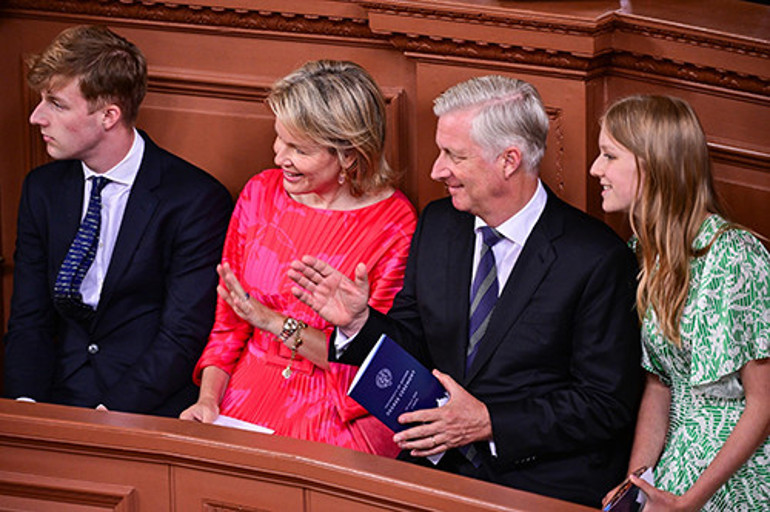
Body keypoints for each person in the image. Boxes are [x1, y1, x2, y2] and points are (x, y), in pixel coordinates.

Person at [289, 75, 643, 507]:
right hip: (437, 465)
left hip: (539, 480)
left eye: (454, 156)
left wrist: (490, 422)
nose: (436, 170)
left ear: (509, 160)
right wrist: (360, 323)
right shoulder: (439, 225)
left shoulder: (597, 258)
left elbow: (604, 404)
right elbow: (415, 342)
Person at [180, 60, 417, 457]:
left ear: (349, 155)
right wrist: (208, 401)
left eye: (299, 149)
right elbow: (228, 325)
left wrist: (273, 322)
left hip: (339, 411)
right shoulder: (261, 192)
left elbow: (369, 362)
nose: (279, 157)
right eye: (279, 139)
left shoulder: (393, 225)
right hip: (244, 394)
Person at [3, 25, 233, 417]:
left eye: (56, 104)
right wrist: (27, 408)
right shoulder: (42, 189)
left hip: (143, 403)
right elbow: (29, 317)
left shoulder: (195, 199)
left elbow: (181, 335)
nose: (36, 117)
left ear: (109, 115)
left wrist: (110, 416)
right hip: (54, 392)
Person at [592, 95, 769, 511]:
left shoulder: (735, 255)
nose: (595, 169)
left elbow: (764, 403)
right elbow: (659, 385)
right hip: (678, 461)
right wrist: (634, 486)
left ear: (653, 165)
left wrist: (691, 500)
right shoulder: (642, 253)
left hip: (741, 475)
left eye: (609, 156)